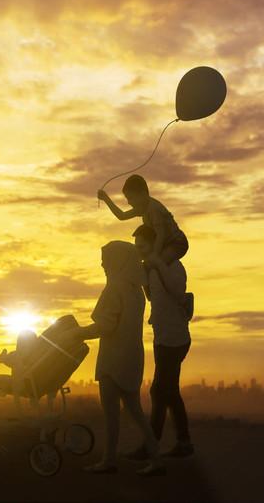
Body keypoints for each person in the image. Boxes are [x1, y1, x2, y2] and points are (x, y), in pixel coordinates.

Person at [65, 241, 165, 476]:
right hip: (132, 356)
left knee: (111, 414)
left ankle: (108, 460)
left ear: (118, 260)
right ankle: (156, 458)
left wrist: (76, 333)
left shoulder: (114, 289)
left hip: (113, 359)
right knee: (136, 413)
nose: (102, 264)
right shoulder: (136, 291)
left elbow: (105, 326)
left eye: (106, 259)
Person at [127, 224, 194, 459]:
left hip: (174, 340)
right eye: (137, 249)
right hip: (163, 338)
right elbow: (152, 297)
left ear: (155, 245)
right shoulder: (151, 269)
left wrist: (156, 264)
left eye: (143, 247)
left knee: (159, 391)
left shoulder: (173, 267)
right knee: (169, 392)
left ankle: (151, 446)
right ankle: (183, 443)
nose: (140, 252)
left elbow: (177, 292)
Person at [97, 174, 188, 265]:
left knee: (155, 263)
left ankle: (168, 278)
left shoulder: (154, 209)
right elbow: (122, 216)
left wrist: (155, 255)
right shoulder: (142, 208)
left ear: (143, 194)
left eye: (131, 198)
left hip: (176, 244)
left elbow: (161, 235)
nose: (129, 202)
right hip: (163, 243)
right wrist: (106, 199)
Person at [0, 330, 38, 398]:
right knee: (1, 380)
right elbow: (9, 362)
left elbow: (6, 361)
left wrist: (5, 358)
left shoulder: (20, 355)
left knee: (5, 380)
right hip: (22, 381)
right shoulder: (29, 355)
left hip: (20, 383)